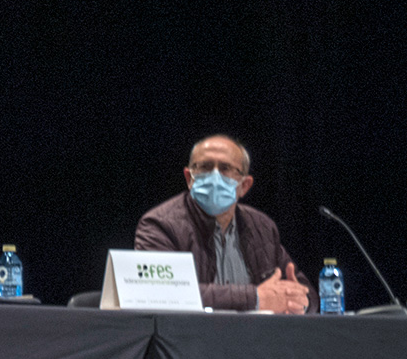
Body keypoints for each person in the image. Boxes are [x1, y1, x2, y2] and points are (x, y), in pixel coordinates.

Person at [134, 134, 312, 313]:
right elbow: (161, 293)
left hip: (256, 338)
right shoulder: (159, 225)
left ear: (245, 186)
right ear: (189, 178)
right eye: (205, 167)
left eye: (225, 168)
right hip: (191, 338)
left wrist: (298, 301)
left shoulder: (262, 227)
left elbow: (308, 293)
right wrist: (255, 298)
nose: (215, 176)